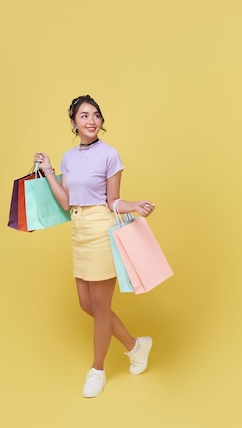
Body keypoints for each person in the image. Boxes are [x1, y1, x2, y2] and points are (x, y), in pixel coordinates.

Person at [33, 95, 155, 398]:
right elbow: (66, 201)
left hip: (101, 228)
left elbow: (113, 200)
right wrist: (49, 170)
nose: (91, 120)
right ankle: (136, 346)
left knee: (101, 307)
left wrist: (134, 206)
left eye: (96, 115)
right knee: (86, 305)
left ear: (101, 122)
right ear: (74, 123)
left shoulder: (110, 154)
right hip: (78, 229)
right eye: (84, 115)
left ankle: (97, 369)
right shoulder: (68, 157)